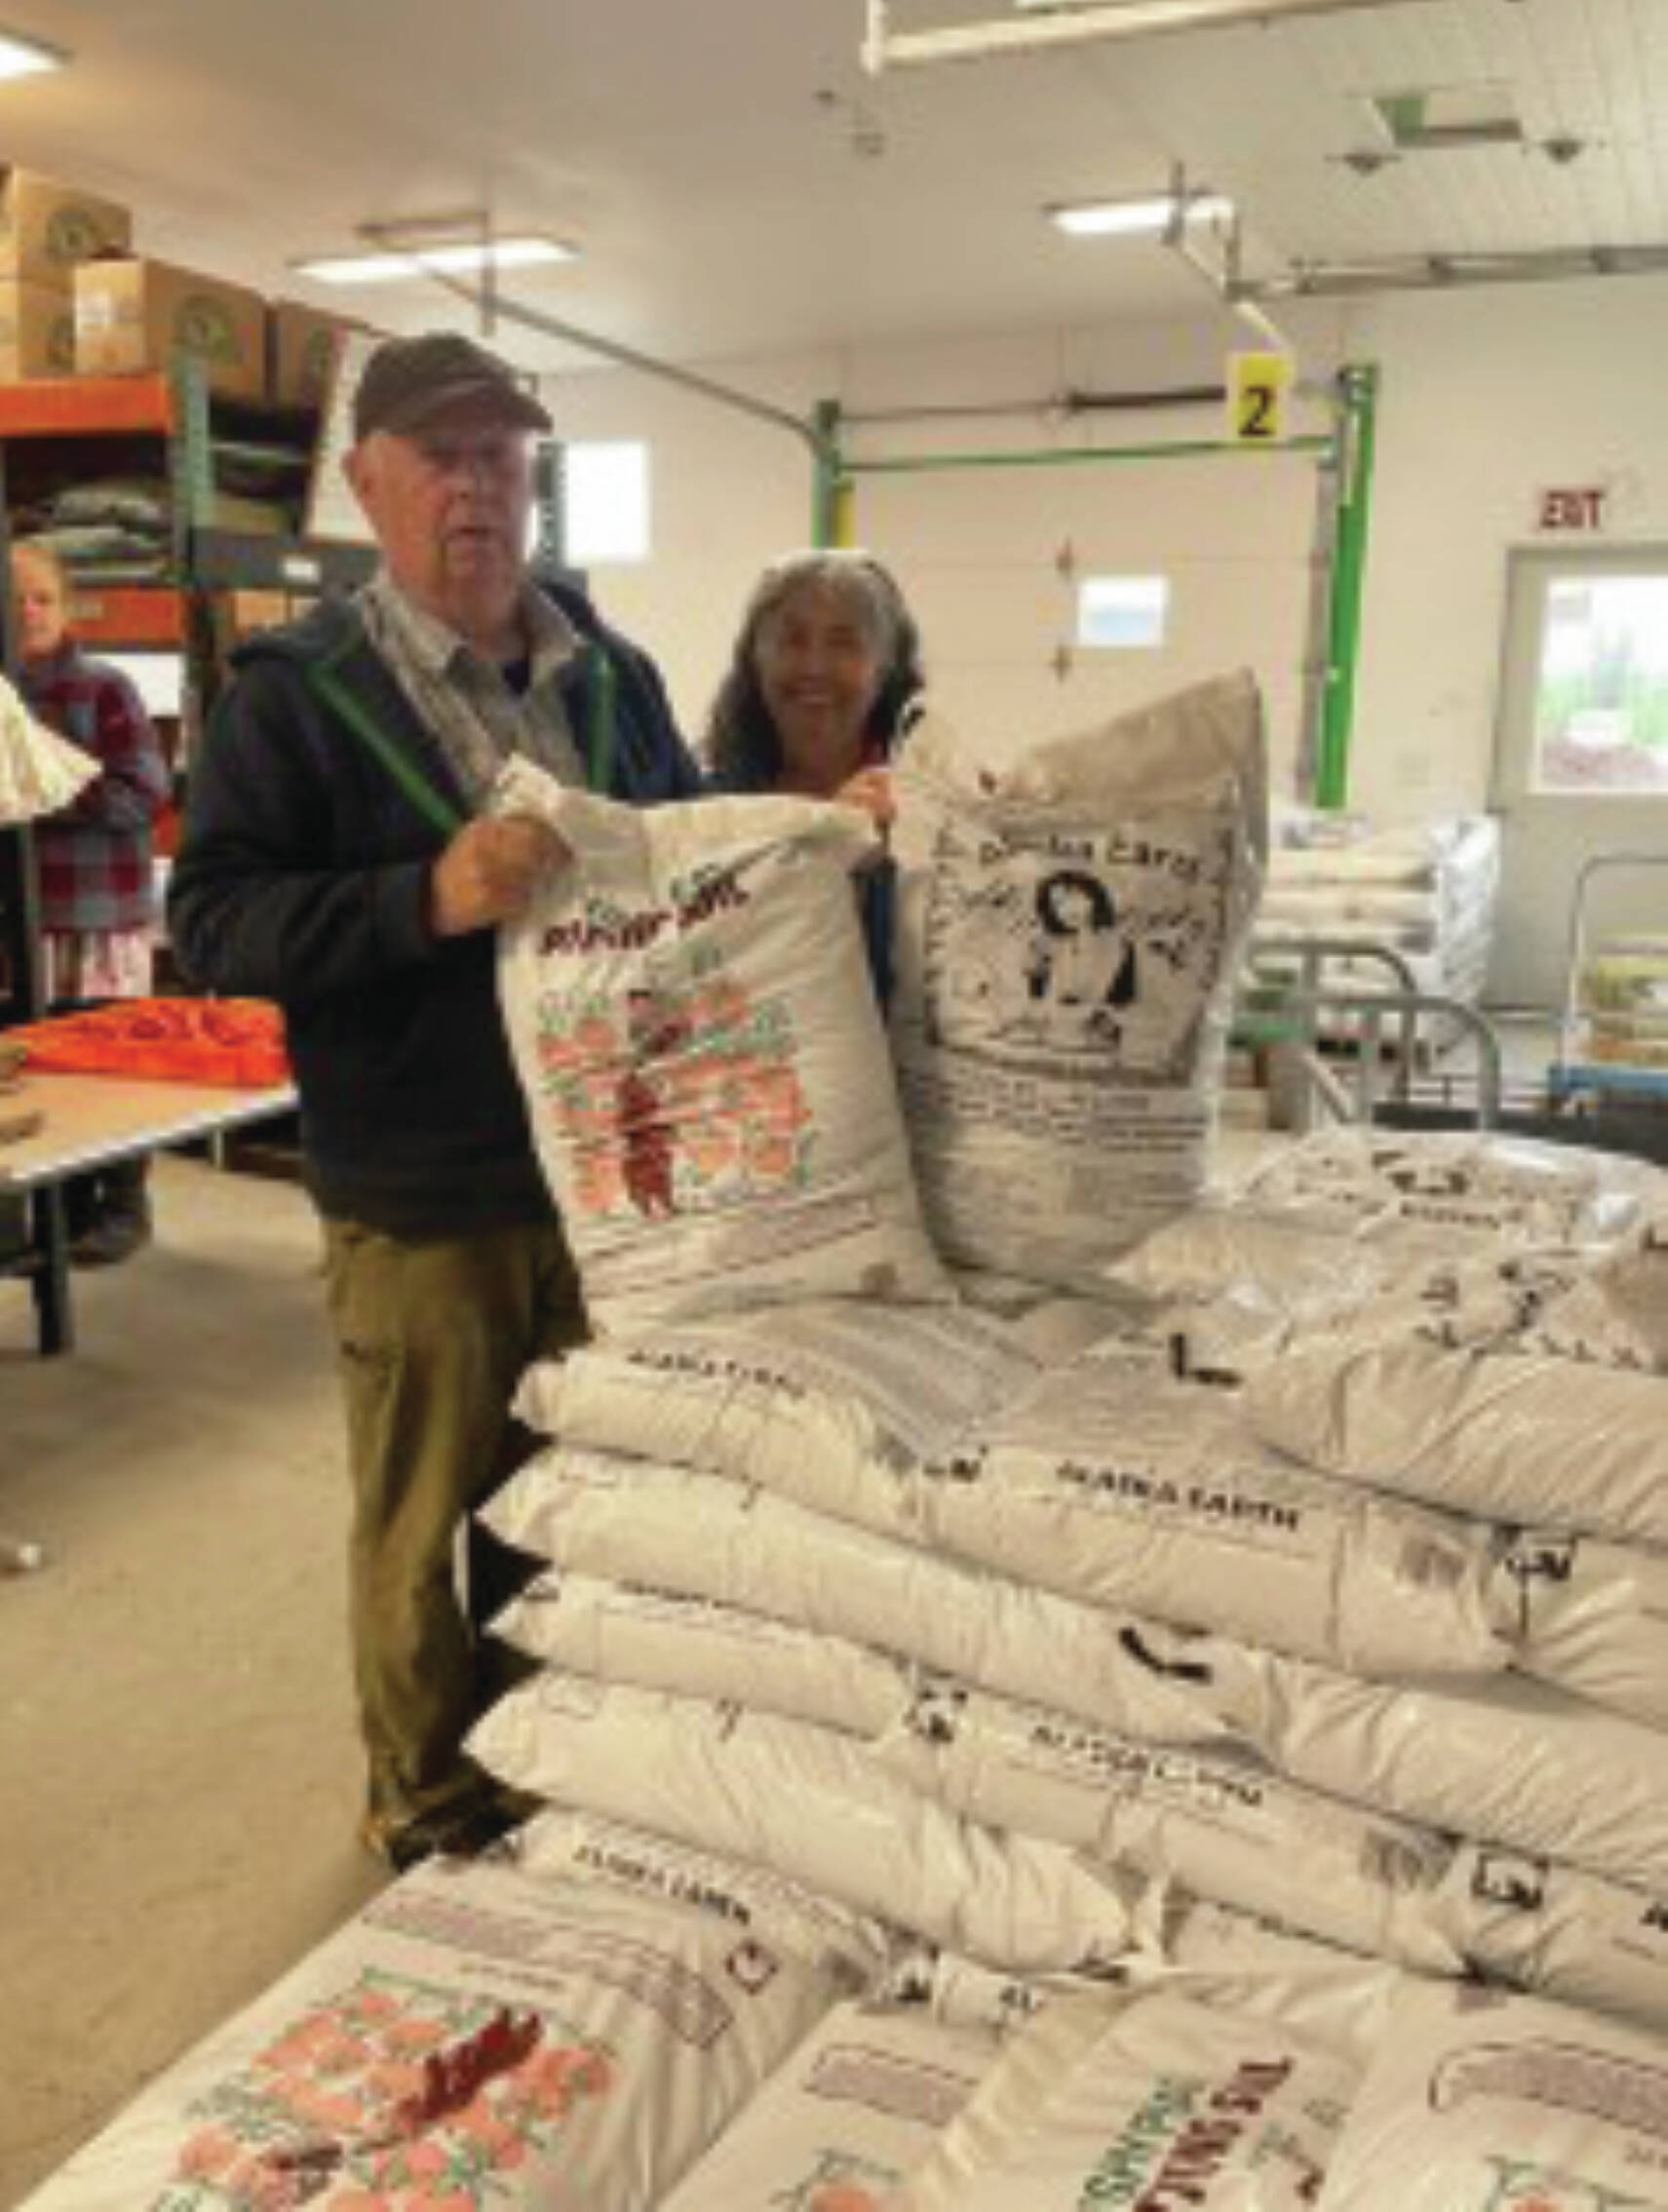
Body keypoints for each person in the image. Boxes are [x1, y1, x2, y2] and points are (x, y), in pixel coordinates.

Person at [168, 330, 701, 1872]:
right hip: (420, 1186)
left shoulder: (611, 673)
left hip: (605, 1180)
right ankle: (425, 1797)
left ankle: (551, 1764)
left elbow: (681, 853)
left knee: (571, 1507)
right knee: (422, 1526)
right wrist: (425, 898)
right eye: (440, 456)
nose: (474, 486)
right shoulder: (294, 693)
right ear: (368, 482)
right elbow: (215, 923)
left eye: (501, 456)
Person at [10, 538, 173, 1266]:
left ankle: (123, 1202)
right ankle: (56, 1207)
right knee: (34, 1065)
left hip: (97, 917)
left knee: (110, 1063)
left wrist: (46, 778)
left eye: (41, 596)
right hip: (19, 920)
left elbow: (141, 794)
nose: (27, 611)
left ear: (67, 605)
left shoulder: (103, 688)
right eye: (12, 599)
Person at [705, 548, 924, 992]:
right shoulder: (706, 812)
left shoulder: (925, 812)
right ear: (755, 663)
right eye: (791, 640)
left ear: (885, 668)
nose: (814, 667)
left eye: (844, 643)